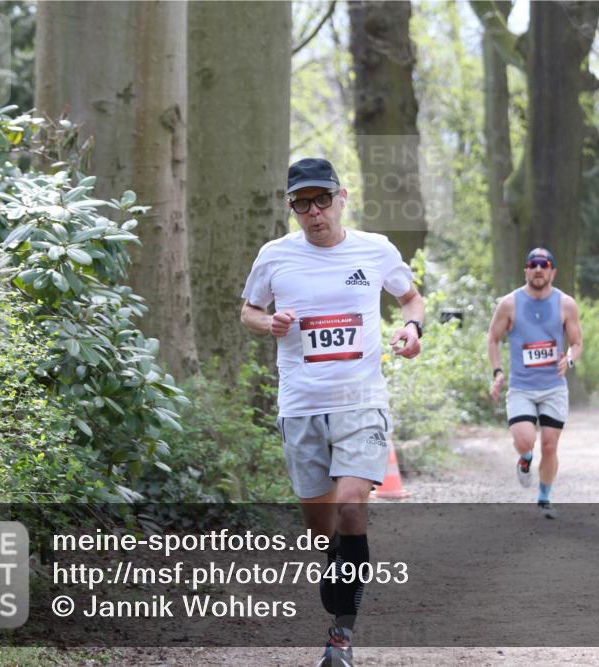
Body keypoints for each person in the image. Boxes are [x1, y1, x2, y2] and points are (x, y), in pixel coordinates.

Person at [241, 157, 425, 666]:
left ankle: (340, 635)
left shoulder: (376, 249)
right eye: (303, 203)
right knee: (322, 529)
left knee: (350, 508)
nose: (315, 211)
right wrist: (269, 323)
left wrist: (413, 331)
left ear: (342, 196)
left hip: (360, 402)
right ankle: (339, 566)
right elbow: (248, 310)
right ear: (291, 207)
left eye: (323, 199)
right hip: (301, 406)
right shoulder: (275, 256)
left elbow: (412, 301)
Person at [486, 248, 583, 519]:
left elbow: (576, 343)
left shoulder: (566, 304)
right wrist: (498, 372)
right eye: (533, 264)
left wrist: (570, 360)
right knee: (525, 440)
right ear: (526, 270)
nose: (539, 269)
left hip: (553, 386)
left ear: (553, 271)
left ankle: (544, 497)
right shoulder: (509, 304)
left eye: (544, 264)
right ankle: (525, 458)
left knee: (550, 445)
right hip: (522, 387)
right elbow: (493, 338)